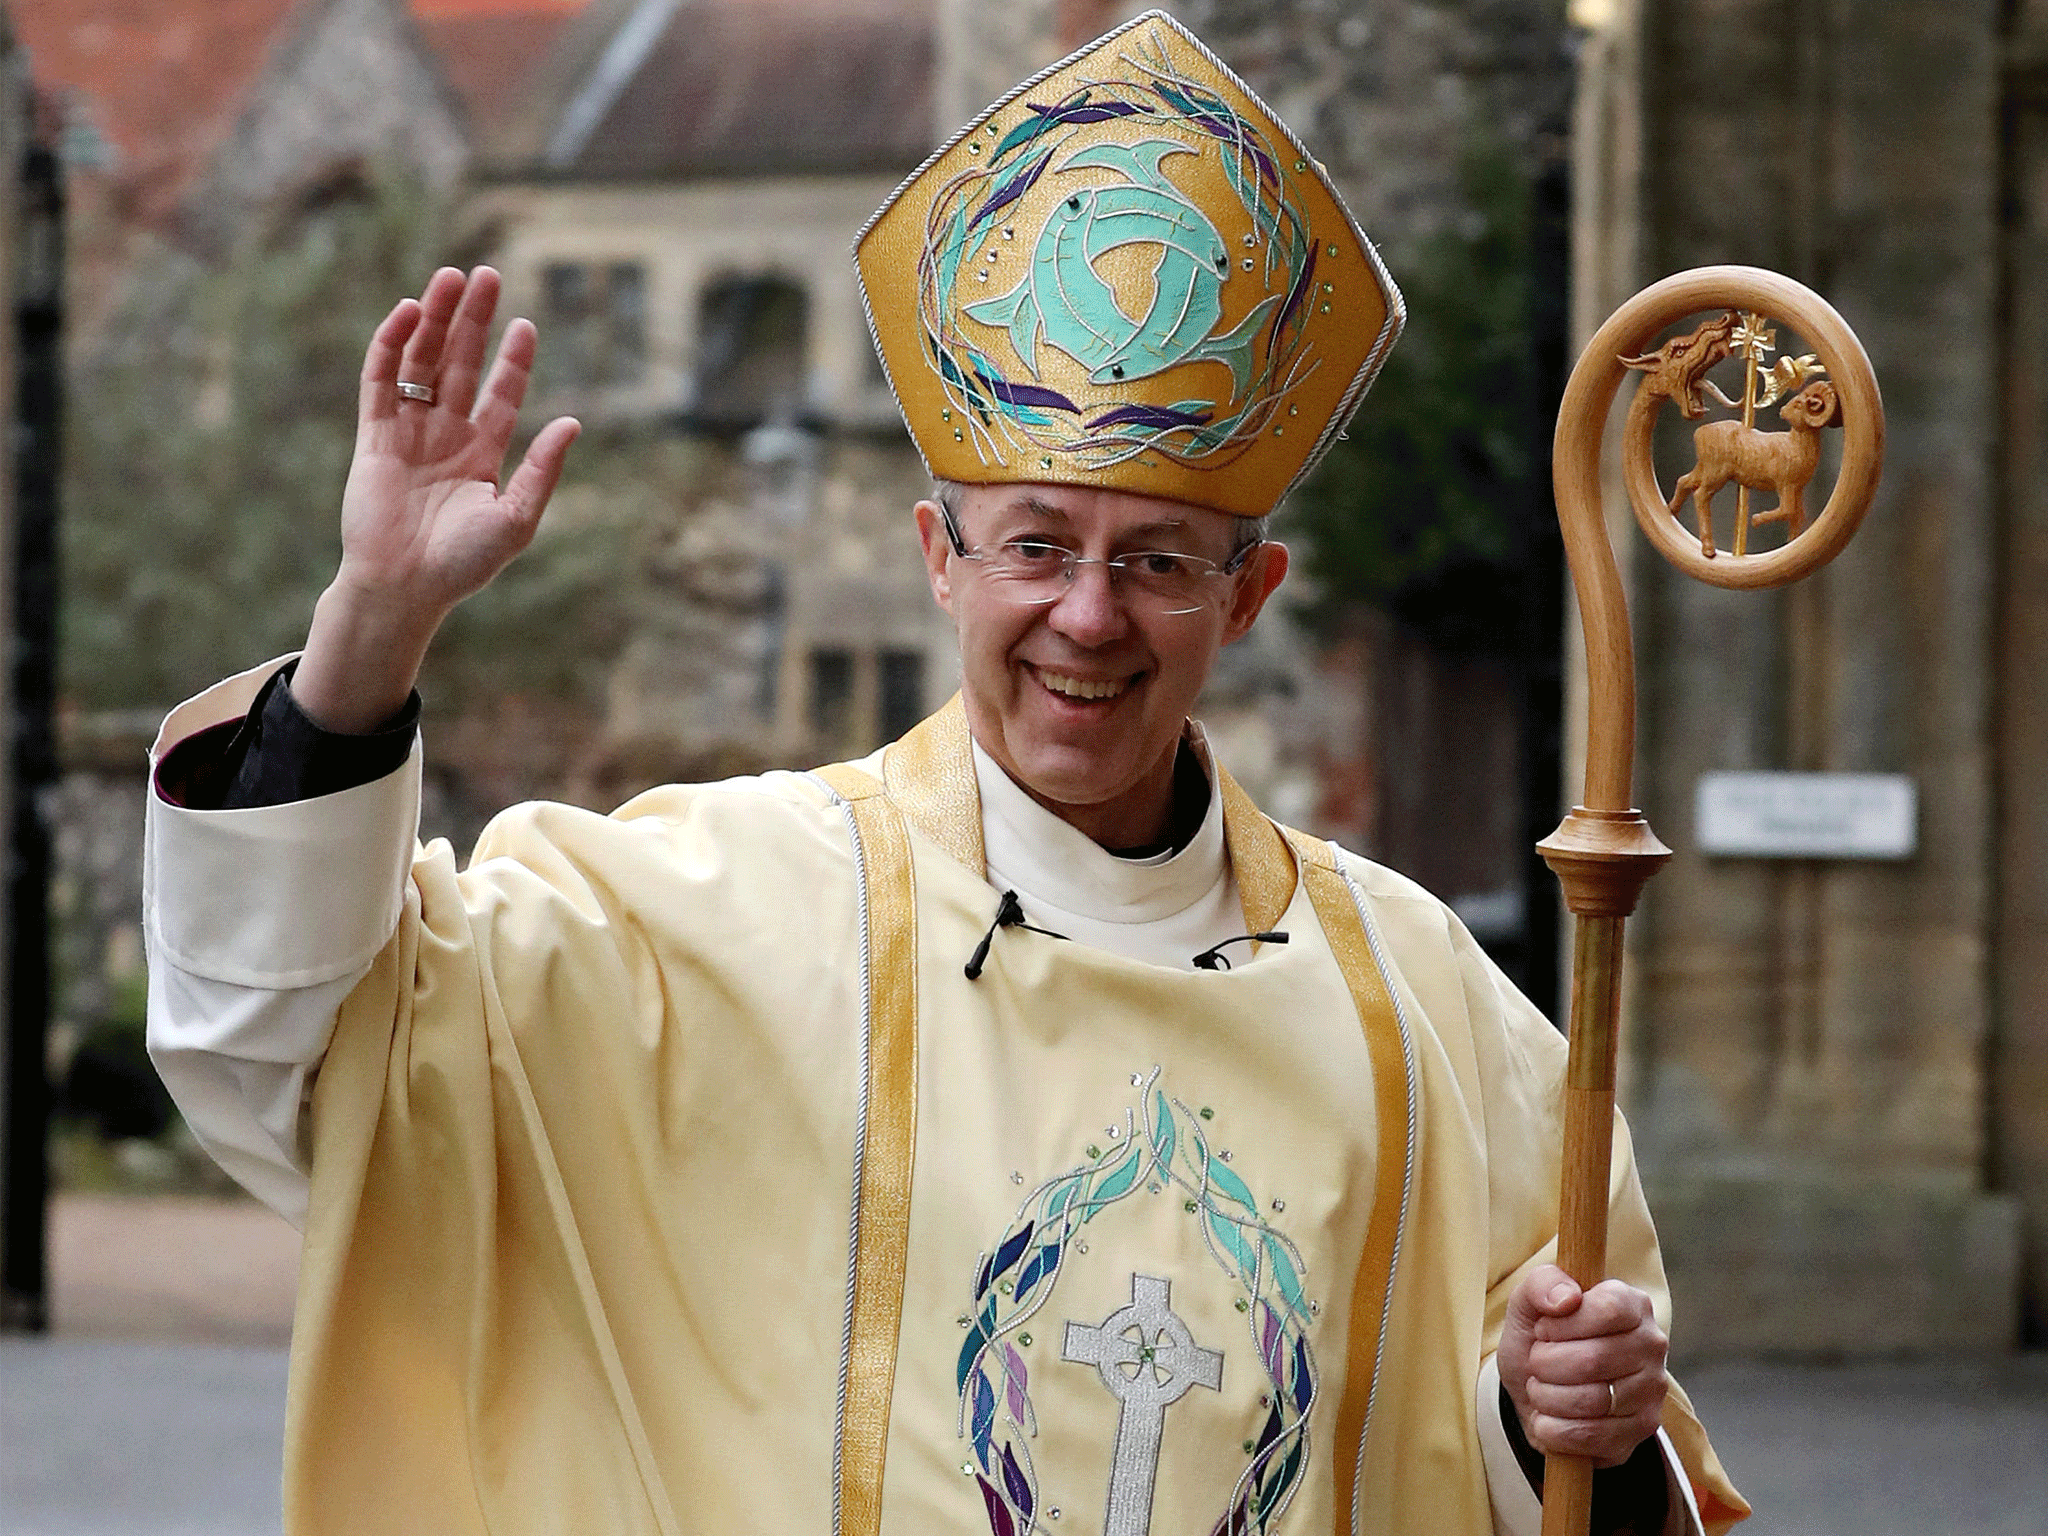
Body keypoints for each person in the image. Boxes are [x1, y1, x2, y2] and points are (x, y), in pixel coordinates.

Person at [145, 13, 1746, 1536]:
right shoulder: (706, 920)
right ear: (940, 561)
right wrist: (373, 623)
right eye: (1036, 548)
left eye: (1162, 564)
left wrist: (1551, 1415)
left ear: (1248, 601)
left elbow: (1580, 1454)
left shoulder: (1426, 1014)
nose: (1088, 617)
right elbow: (298, 1057)